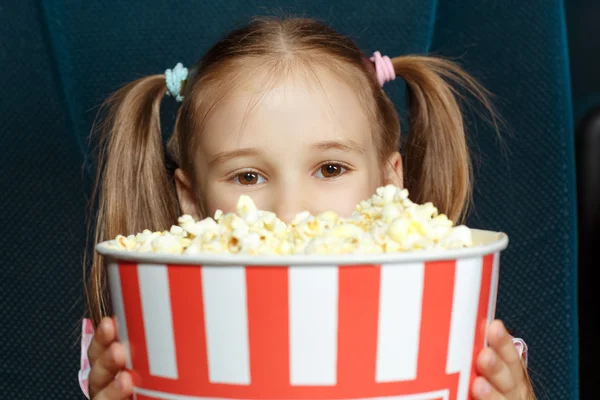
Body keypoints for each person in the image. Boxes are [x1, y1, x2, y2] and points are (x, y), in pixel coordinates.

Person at [81, 17, 534, 400]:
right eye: (248, 177)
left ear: (389, 181)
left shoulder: (452, 331)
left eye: (331, 168)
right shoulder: (150, 342)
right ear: (192, 200)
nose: (292, 211)